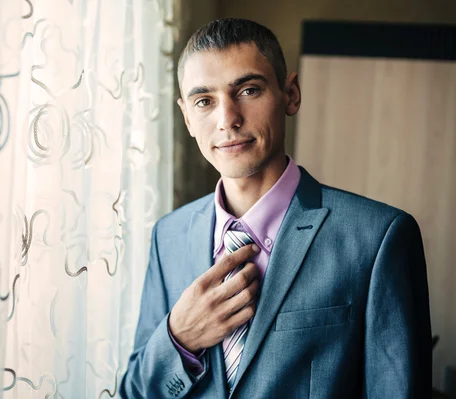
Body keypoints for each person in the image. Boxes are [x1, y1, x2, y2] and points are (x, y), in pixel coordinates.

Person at [119, 18, 431, 398]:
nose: (227, 120)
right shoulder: (167, 236)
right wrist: (180, 337)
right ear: (187, 116)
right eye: (205, 101)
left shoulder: (378, 237)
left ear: (291, 94)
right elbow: (135, 392)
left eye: (248, 90)